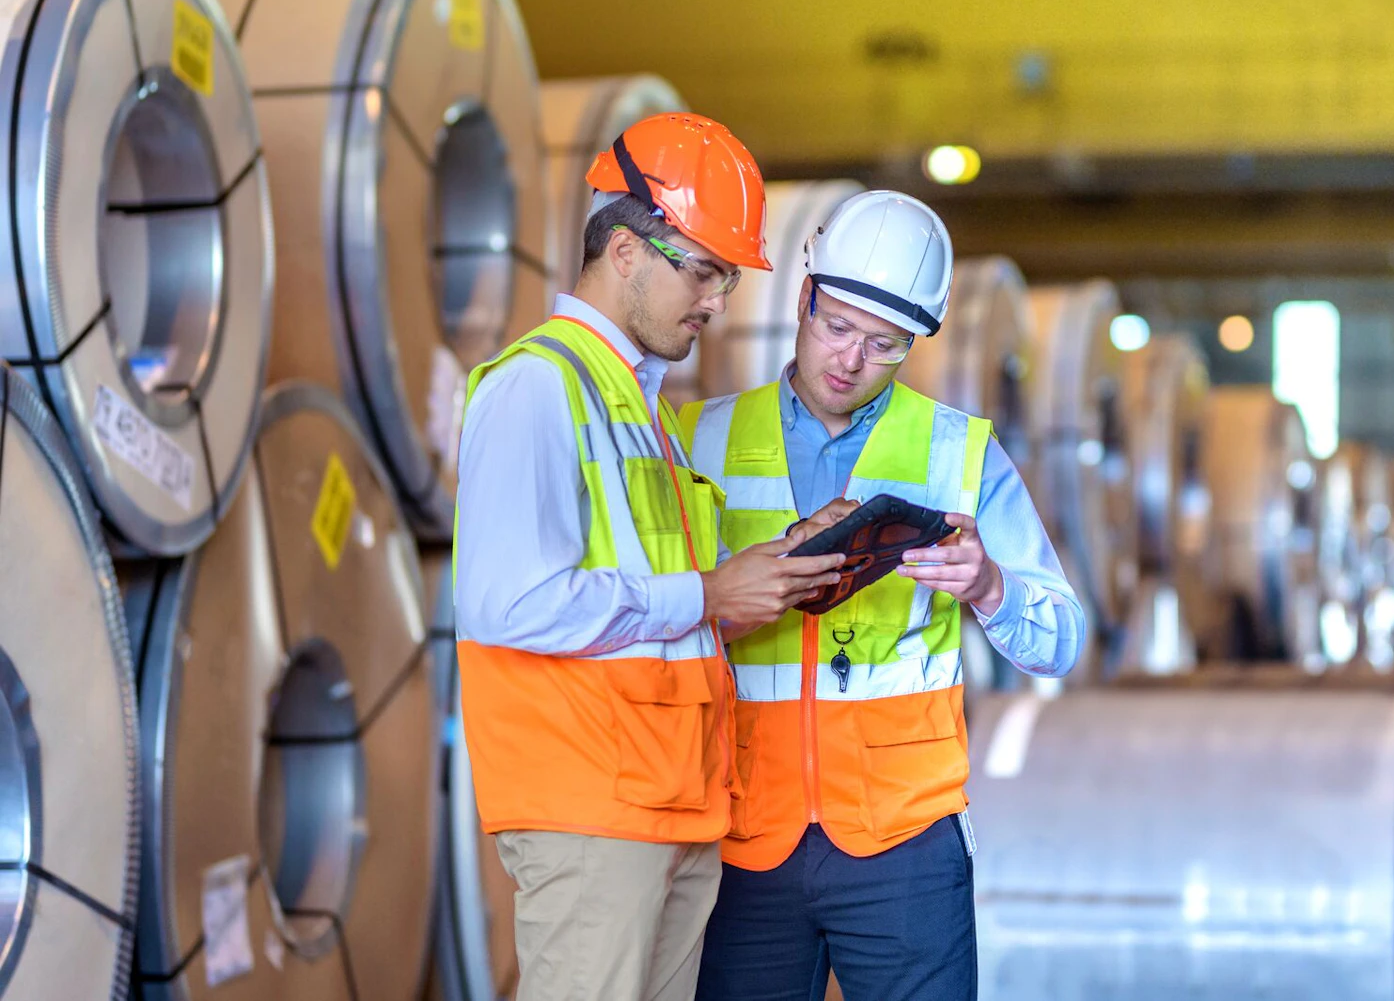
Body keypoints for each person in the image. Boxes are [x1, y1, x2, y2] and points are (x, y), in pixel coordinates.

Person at [452, 112, 847, 1001]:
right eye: (704, 270)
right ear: (625, 248)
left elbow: (667, 603)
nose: (717, 300)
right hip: (592, 809)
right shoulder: (537, 386)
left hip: (669, 803)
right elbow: (505, 600)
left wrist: (777, 567)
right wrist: (708, 592)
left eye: (727, 279)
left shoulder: (639, 409)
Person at [679, 190, 1086, 1001]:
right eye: (835, 326)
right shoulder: (699, 438)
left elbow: (1062, 638)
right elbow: (653, 620)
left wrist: (990, 585)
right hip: (741, 832)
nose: (849, 359)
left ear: (913, 344)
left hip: (905, 839)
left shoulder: (959, 452)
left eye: (884, 344)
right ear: (803, 298)